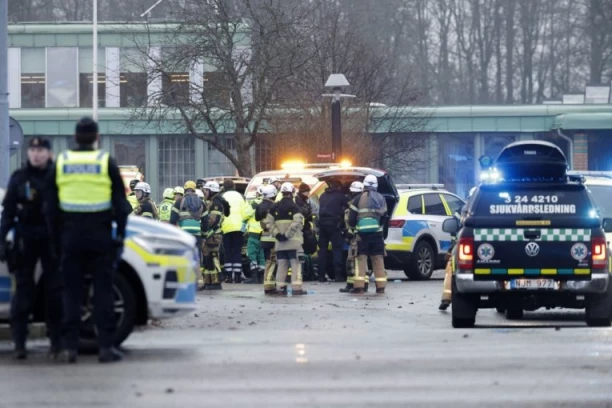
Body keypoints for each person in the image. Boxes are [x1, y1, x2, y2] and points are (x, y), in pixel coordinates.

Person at [46, 117, 130, 363]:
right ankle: (105, 347)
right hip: (100, 236)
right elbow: (121, 206)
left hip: (70, 237)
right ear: (96, 137)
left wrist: (55, 239)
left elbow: (50, 207)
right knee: (102, 292)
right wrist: (120, 236)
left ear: (74, 136)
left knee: (71, 292)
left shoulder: (62, 162)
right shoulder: (105, 162)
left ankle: (70, 348)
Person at [0, 137, 63, 360]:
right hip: (25, 239)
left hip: (51, 239)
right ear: (28, 153)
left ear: (48, 153)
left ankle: (56, 343)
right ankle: (19, 343)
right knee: (23, 293)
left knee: (54, 292)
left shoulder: (57, 177)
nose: (36, 154)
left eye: (41, 150)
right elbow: (7, 212)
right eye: (33, 150)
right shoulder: (20, 178)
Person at [347, 174, 388, 294]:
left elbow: (351, 218)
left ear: (364, 184)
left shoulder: (357, 199)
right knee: (378, 260)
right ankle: (380, 287)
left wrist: (353, 228)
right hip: (377, 235)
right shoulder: (381, 198)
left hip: (362, 235)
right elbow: (384, 216)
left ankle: (359, 287)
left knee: (361, 260)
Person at [265, 182, 305, 296]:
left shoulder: (274, 207)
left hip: (280, 244)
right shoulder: (295, 207)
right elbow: (296, 223)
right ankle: (297, 288)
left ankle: (280, 288)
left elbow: (269, 224)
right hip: (294, 243)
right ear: (292, 192)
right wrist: (287, 235)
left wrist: (278, 235)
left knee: (281, 266)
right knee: (296, 265)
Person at [170, 181, 207, 288]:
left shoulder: (179, 201)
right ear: (194, 190)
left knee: (183, 256)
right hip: (196, 233)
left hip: (184, 233)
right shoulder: (201, 202)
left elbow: (172, 220)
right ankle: (199, 282)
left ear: (185, 190)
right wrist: (204, 236)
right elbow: (205, 221)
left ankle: (184, 282)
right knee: (196, 258)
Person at [340, 181, 368, 293]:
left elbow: (353, 220)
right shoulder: (358, 203)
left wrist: (351, 231)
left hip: (358, 236)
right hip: (355, 236)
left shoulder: (357, 204)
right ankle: (351, 283)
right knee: (353, 261)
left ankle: (361, 284)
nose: (352, 195)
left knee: (356, 260)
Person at [317, 179, 347, 282]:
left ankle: (321, 275)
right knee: (337, 249)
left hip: (322, 225)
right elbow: (348, 207)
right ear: (338, 187)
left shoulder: (322, 196)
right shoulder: (340, 195)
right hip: (334, 225)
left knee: (323, 250)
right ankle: (338, 275)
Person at [201, 180, 228, 290]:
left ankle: (216, 281)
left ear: (212, 191)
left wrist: (204, 224)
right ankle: (209, 281)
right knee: (207, 260)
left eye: (206, 190)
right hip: (210, 235)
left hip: (214, 235)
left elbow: (213, 220)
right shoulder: (212, 201)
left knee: (212, 257)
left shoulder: (216, 203)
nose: (205, 192)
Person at [221, 179, 247, 283]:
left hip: (226, 227)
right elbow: (245, 212)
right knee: (237, 251)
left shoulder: (223, 197)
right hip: (239, 227)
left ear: (224, 187)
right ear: (234, 186)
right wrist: (244, 228)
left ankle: (228, 276)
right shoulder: (240, 196)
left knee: (227, 252)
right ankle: (237, 276)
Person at [242, 187, 265, 284]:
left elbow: (245, 215)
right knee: (261, 254)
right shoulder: (269, 203)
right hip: (265, 233)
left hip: (254, 233)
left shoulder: (255, 203)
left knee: (252, 254)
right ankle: (262, 277)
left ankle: (254, 277)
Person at [295, 183, 317, 281]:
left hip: (306, 229)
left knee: (307, 251)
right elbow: (303, 214)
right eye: (307, 191)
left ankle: (307, 272)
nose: (308, 193)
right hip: (302, 230)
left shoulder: (305, 200)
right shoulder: (299, 201)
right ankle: (305, 273)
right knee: (303, 252)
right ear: (302, 191)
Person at [258, 185, 278, 294]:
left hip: (264, 238)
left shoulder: (260, 206)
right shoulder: (274, 207)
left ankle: (268, 284)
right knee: (273, 262)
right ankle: (269, 286)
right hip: (273, 239)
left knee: (267, 262)